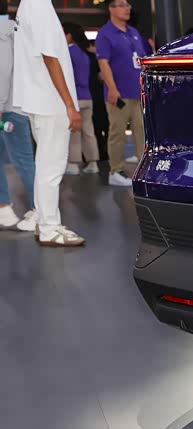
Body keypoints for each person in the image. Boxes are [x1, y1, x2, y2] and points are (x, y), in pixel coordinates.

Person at [13, 0, 85, 246]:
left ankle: (43, 221)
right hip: (51, 101)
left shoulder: (27, 5)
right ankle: (49, 228)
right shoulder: (39, 5)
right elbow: (50, 57)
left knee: (45, 166)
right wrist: (69, 105)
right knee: (51, 168)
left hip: (40, 99)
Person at [96, 0, 151, 187]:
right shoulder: (105, 34)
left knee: (141, 131)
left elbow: (140, 60)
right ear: (111, 9)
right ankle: (115, 170)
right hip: (119, 93)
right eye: (122, 5)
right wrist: (112, 88)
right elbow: (103, 63)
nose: (127, 8)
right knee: (117, 132)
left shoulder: (133, 32)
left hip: (137, 91)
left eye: (128, 5)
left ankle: (144, 169)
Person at [0, 2, 36, 232]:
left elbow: (2, 72)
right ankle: (4, 208)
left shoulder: (3, 33)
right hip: (13, 106)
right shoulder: (14, 29)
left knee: (23, 161)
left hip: (9, 109)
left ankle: (40, 210)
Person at [63, 22, 100, 176]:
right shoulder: (84, 53)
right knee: (88, 131)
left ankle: (73, 163)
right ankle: (93, 162)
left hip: (74, 97)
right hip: (87, 96)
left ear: (69, 36)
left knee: (74, 132)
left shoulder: (67, 53)